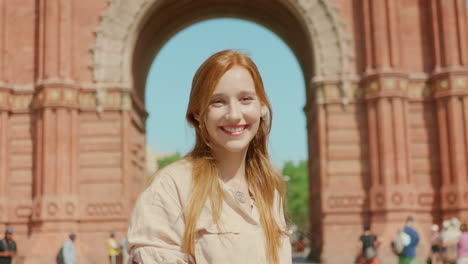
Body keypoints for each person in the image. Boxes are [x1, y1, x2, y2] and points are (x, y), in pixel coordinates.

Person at [127, 50, 291, 264]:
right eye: (218, 102)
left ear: (261, 106)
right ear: (198, 112)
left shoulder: (269, 191)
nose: (233, 114)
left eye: (245, 99)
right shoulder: (173, 187)